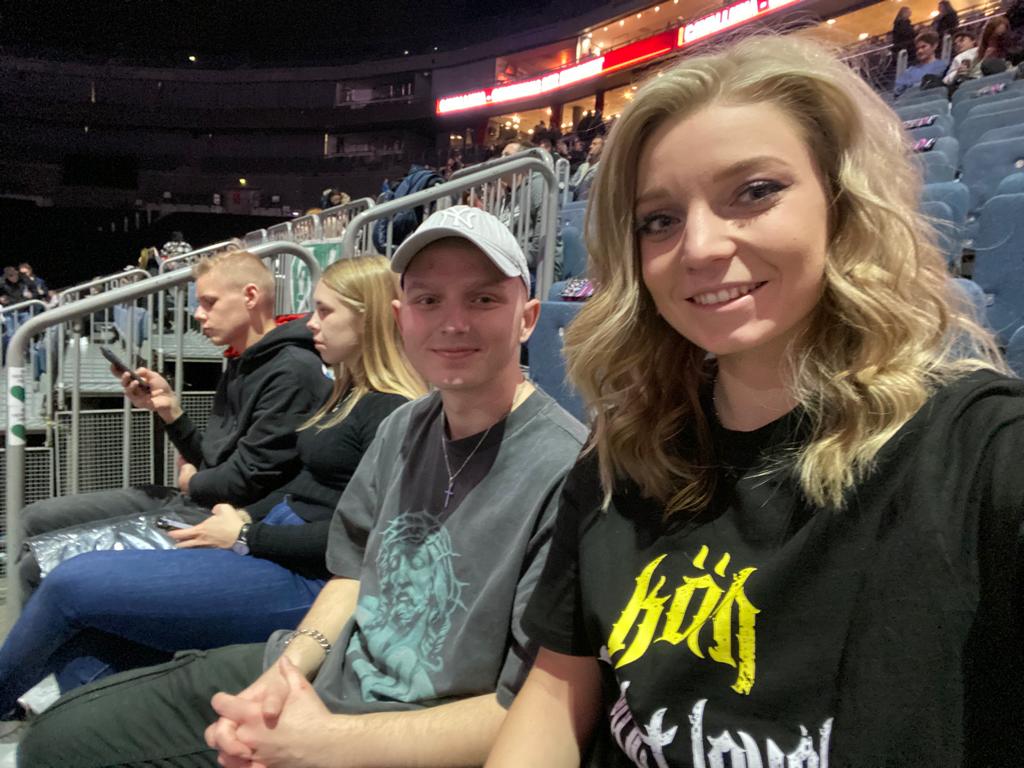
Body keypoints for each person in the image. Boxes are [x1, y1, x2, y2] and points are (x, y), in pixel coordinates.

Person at [485, 35, 1023, 767]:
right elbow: (554, 694)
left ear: (841, 203)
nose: (700, 246)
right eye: (659, 220)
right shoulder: (622, 454)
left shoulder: (984, 452)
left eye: (756, 191)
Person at [18, 205, 589, 768]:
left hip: (399, 731)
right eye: (428, 300)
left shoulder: (569, 473)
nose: (453, 322)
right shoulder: (404, 427)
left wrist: (323, 742)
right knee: (57, 734)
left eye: (483, 299)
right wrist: (286, 672)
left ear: (528, 318)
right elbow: (353, 573)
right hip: (323, 675)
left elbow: (538, 713)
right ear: (400, 316)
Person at [0, 255, 426, 716]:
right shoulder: (348, 391)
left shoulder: (389, 408)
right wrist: (241, 516)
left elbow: (365, 541)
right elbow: (299, 486)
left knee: (68, 582)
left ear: (369, 318)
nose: (310, 322)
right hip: (263, 539)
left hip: (306, 578)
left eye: (324, 311)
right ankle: (85, 733)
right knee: (85, 639)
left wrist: (245, 534)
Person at [14, 250, 330, 604]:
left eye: (209, 302)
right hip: (198, 500)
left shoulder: (292, 371)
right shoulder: (242, 362)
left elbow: (241, 483)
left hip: (225, 517)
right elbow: (213, 461)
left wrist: (192, 482)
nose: (198, 314)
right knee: (32, 518)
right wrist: (170, 411)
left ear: (250, 297)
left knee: (36, 566)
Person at [894, 30, 947, 95]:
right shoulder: (910, 71)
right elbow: (897, 91)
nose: (919, 51)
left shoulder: (943, 66)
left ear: (934, 46)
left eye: (923, 47)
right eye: (917, 49)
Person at [571, 136, 604, 202]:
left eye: (595, 144)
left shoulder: (602, 167)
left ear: (603, 147)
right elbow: (572, 184)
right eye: (591, 144)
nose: (590, 146)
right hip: (577, 203)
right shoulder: (583, 166)